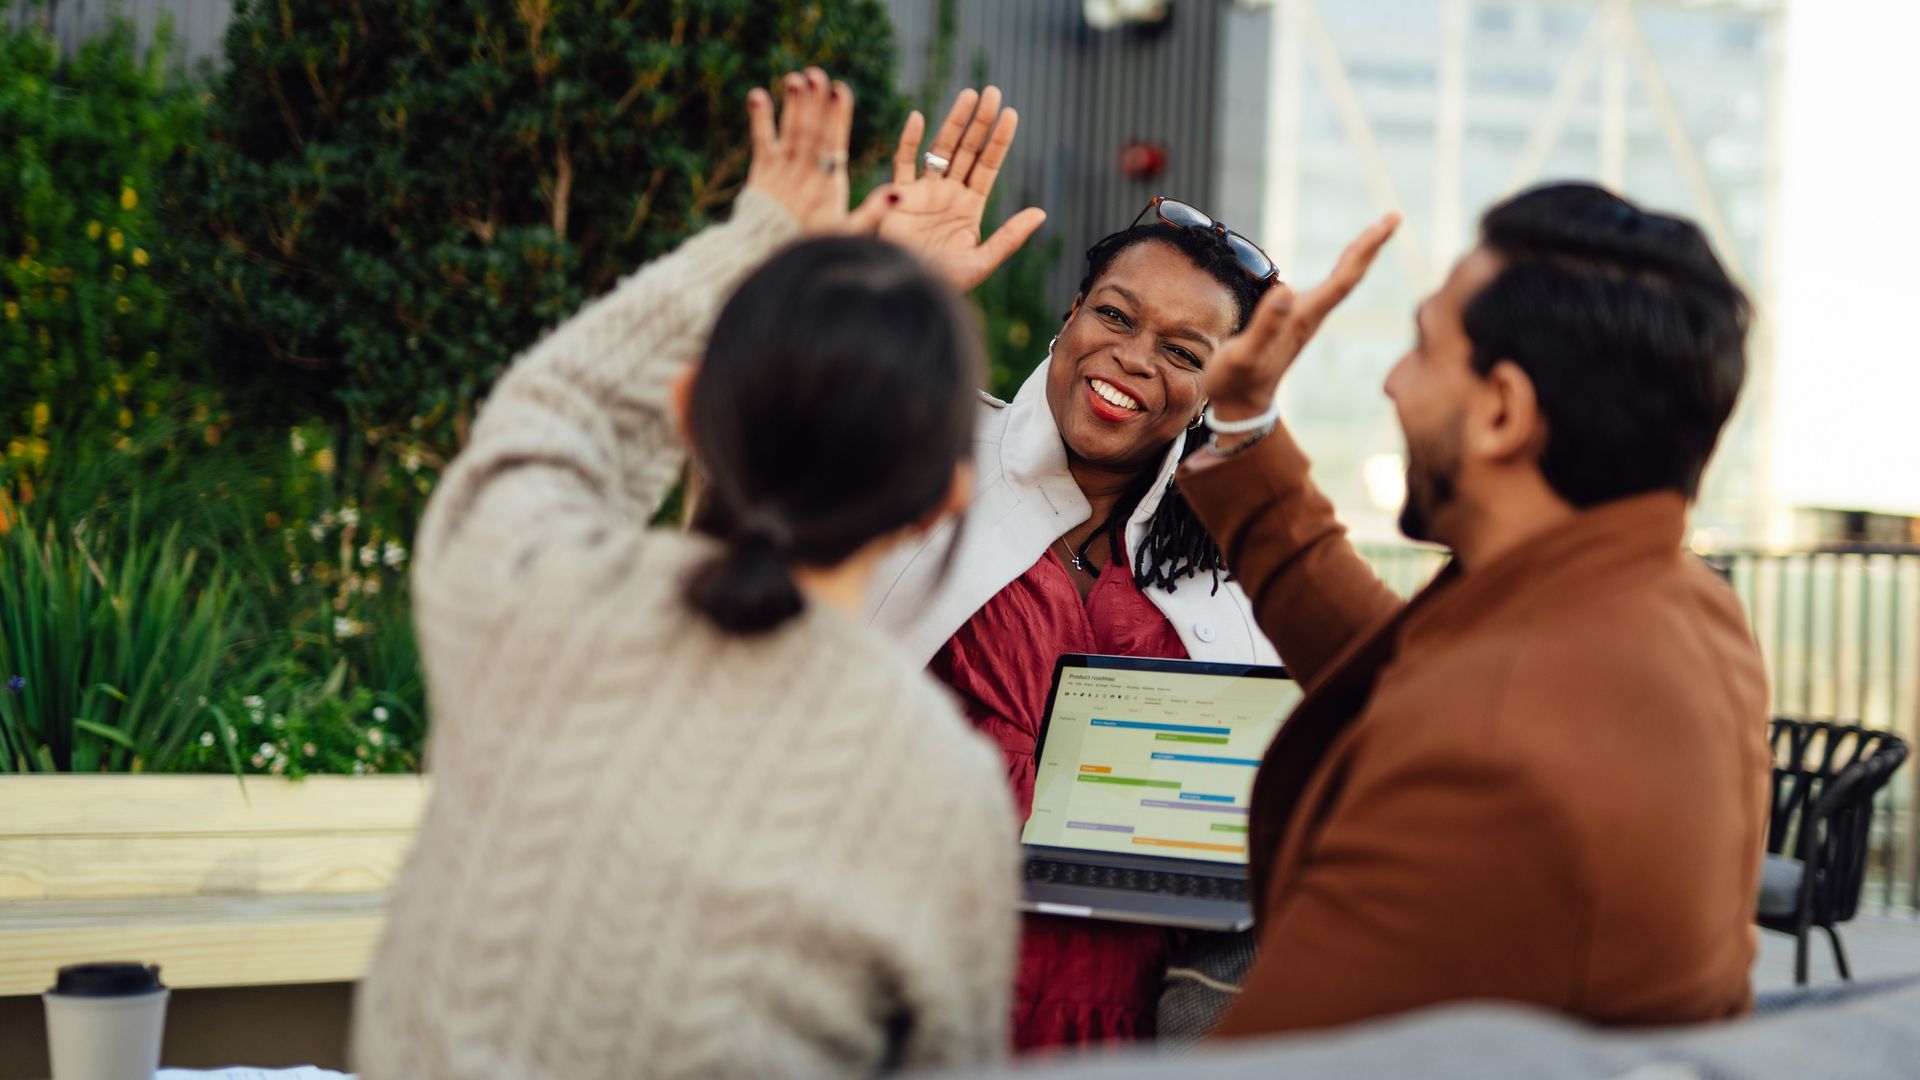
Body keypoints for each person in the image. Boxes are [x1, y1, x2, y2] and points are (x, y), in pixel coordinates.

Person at [352, 70, 1018, 1079]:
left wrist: (769, 236)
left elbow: (557, 407)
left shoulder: (527, 590)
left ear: (690, 411)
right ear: (944, 498)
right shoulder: (941, 791)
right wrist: (882, 313)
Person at [1173, 183, 1771, 1037]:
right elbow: (1392, 662)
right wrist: (1245, 421)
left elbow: (1266, 1061)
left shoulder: (1494, 752)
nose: (1390, 381)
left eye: (1420, 349)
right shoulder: (1676, 607)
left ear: (1501, 412)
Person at [866, 88, 1281, 1050]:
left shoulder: (1229, 572)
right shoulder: (922, 453)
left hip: (1123, 1029)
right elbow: (759, 479)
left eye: (1183, 350)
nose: (1133, 359)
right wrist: (880, 302)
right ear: (1071, 313)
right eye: (1116, 315)